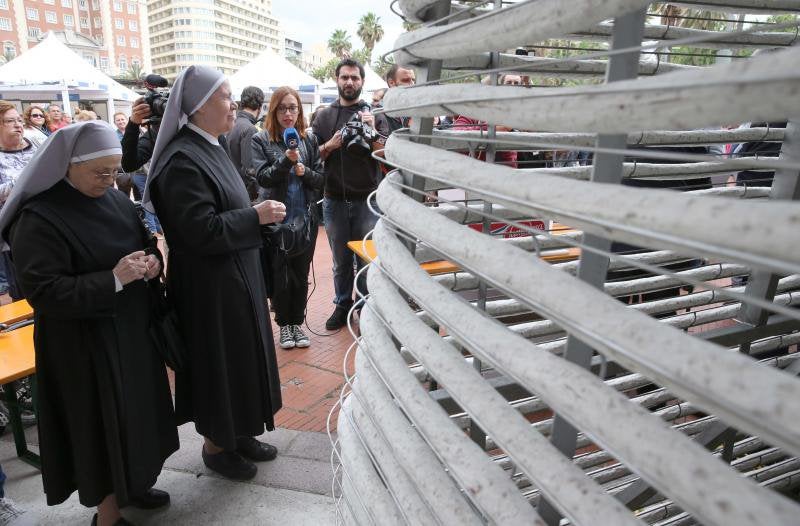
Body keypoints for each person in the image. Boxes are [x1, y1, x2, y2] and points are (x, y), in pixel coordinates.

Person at [0, 120, 179, 526]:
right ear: (68, 166)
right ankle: (108, 515)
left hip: (131, 334)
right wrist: (113, 279)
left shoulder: (115, 200)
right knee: (100, 430)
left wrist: (151, 262)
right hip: (82, 345)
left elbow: (144, 240)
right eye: (100, 172)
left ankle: (137, 482)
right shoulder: (38, 216)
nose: (109, 179)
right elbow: (42, 291)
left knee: (138, 417)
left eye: (114, 170)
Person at [143, 65, 285, 481]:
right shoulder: (182, 158)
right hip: (209, 287)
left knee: (241, 358)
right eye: (226, 96)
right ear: (199, 106)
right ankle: (216, 446)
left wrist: (255, 217)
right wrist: (254, 216)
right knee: (219, 364)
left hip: (235, 275)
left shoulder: (210, 144)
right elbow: (196, 231)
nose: (234, 104)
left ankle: (239, 431)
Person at [313, 58, 389, 330]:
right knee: (340, 261)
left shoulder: (375, 114)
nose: (349, 82)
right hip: (334, 199)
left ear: (362, 82)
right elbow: (313, 155)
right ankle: (343, 303)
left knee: (367, 259)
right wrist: (331, 145)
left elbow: (387, 154)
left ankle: (366, 305)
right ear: (337, 80)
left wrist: (372, 132)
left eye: (354, 78)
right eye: (344, 77)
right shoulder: (324, 116)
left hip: (368, 200)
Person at [252, 86, 324, 349]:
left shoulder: (310, 140)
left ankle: (298, 323)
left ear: (300, 111)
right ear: (273, 111)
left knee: (300, 273)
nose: (288, 113)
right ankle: (285, 326)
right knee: (280, 275)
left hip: (305, 219)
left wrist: (305, 172)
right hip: (276, 221)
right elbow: (261, 177)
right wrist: (285, 161)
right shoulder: (261, 140)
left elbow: (321, 180)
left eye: (293, 108)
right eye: (282, 108)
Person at [0, 101, 38, 300]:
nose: (18, 125)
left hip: (48, 225)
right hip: (14, 233)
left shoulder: (37, 146)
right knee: (24, 290)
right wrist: (23, 179)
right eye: (9, 121)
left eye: (19, 120)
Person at [227, 86, 264, 202]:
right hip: (243, 194)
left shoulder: (233, 123)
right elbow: (250, 170)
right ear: (260, 105)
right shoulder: (249, 129)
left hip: (231, 188)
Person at [112, 112, 136, 200]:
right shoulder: (113, 135)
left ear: (127, 120)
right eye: (118, 120)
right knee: (124, 194)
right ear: (114, 123)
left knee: (139, 194)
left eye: (122, 119)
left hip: (137, 168)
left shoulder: (136, 132)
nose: (121, 121)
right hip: (122, 169)